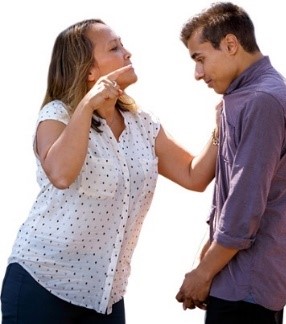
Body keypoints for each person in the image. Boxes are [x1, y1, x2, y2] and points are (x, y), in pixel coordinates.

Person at [0, 18, 220, 324]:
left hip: (107, 298)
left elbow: (193, 175)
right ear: (89, 70)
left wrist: (222, 125)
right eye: (115, 48)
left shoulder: (142, 124)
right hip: (43, 286)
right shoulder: (56, 117)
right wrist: (88, 104)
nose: (128, 53)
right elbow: (61, 174)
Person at [175, 2, 286, 324]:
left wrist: (203, 273)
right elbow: (224, 194)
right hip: (237, 282)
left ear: (231, 44)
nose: (197, 74)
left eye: (200, 59)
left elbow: (244, 208)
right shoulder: (244, 97)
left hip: (247, 289)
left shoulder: (263, 101)